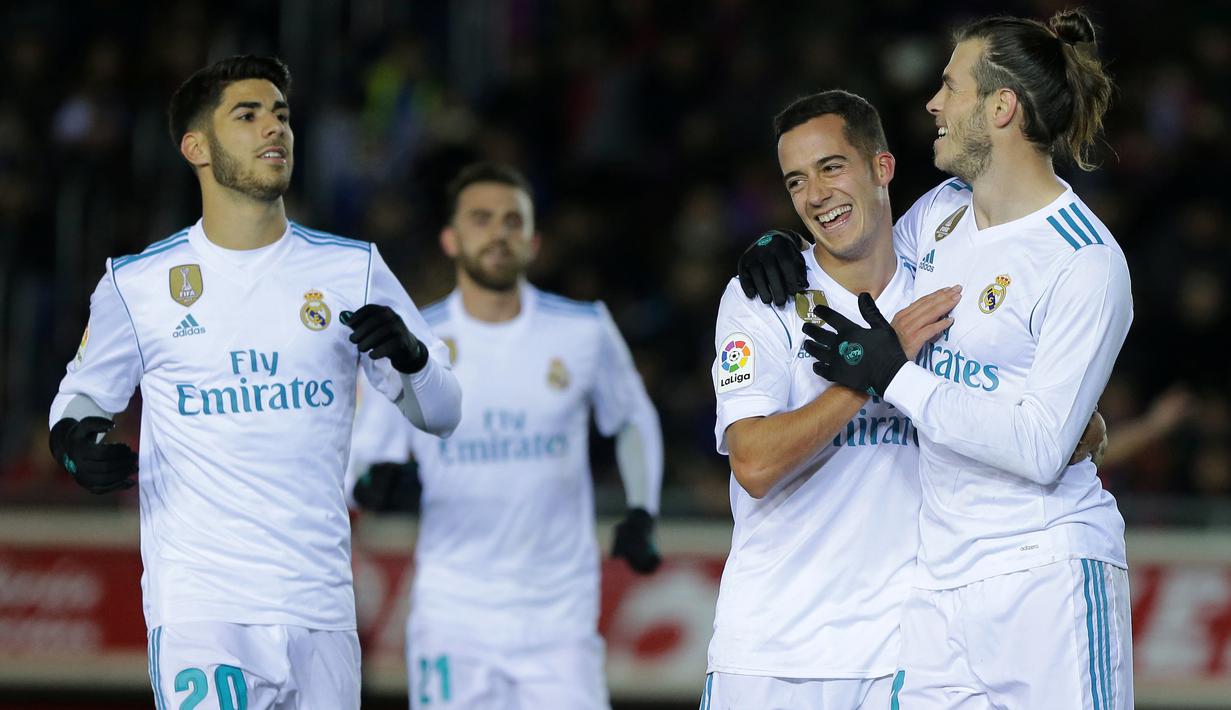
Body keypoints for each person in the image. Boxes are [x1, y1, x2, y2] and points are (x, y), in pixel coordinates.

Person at [738, 9, 1133, 709]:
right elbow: (860, 251)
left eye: (950, 88)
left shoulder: (1083, 258)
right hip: (935, 589)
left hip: (1044, 571)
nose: (932, 104)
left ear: (1000, 107)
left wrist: (891, 377)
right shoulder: (939, 214)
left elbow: (1045, 446)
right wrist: (779, 247)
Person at [47, 55, 461, 709]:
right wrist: (76, 441)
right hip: (202, 606)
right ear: (196, 147)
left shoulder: (352, 269)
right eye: (248, 115)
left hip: (320, 606)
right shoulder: (140, 284)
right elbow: (83, 397)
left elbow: (441, 412)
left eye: (282, 114)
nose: (274, 128)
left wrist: (411, 359)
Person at [347, 162, 664, 709]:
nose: (499, 232)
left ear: (534, 240)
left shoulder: (584, 328)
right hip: (453, 615)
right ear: (450, 238)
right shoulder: (413, 340)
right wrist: (376, 483)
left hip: (559, 616)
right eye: (481, 218)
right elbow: (362, 460)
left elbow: (633, 418)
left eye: (513, 221)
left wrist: (642, 510)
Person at [703, 89, 961, 709]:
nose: (814, 195)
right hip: (768, 657)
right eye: (796, 181)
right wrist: (873, 368)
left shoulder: (941, 293)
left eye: (831, 167)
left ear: (882, 167)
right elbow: (755, 464)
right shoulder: (763, 297)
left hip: (902, 658)